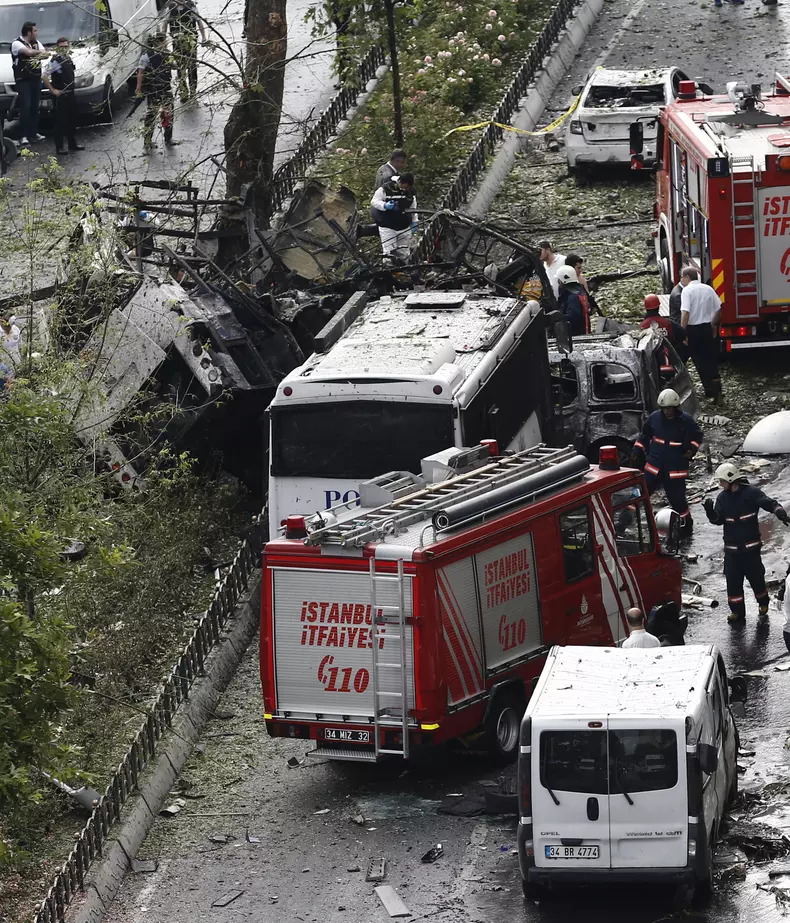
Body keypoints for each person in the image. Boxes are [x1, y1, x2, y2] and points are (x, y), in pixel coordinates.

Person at [703, 462, 789, 624]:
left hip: (750, 550)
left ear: (731, 479)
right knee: (733, 582)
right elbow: (718, 520)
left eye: (722, 481)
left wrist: (781, 514)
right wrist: (710, 512)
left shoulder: (751, 493)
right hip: (732, 552)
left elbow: (770, 503)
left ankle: (763, 603)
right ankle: (737, 612)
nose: (720, 484)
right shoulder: (722, 498)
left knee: (756, 579)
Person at [632, 388, 702, 537]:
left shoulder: (686, 421)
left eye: (669, 409)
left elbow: (697, 436)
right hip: (653, 466)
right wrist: (637, 449)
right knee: (639, 494)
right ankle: (622, 524)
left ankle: (686, 527)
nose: (667, 412)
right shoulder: (654, 418)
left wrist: (691, 449)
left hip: (675, 469)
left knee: (678, 501)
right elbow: (644, 436)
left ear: (675, 407)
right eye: (664, 409)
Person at [679, 267, 722, 401]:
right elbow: (719, 308)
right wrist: (713, 324)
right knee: (710, 358)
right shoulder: (708, 289)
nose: (681, 280)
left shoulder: (687, 291)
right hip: (706, 328)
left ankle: (708, 389)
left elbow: (685, 313)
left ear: (687, 277)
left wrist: (682, 332)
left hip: (693, 330)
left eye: (682, 277)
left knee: (698, 360)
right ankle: (717, 389)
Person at [42, 38, 85, 156]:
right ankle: (60, 147)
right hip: (61, 96)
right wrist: (53, 90)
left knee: (72, 120)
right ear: (57, 48)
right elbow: (44, 76)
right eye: (61, 47)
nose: (64, 49)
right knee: (60, 122)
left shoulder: (68, 59)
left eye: (66, 46)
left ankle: (72, 143)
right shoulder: (55, 61)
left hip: (71, 93)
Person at [11, 22, 49, 146]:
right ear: (29, 33)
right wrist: (37, 52)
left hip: (35, 79)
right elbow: (28, 53)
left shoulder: (37, 43)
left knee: (34, 107)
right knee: (25, 107)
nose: (37, 33)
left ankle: (33, 133)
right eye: (35, 31)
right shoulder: (16, 43)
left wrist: (37, 52)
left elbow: (45, 54)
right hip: (23, 80)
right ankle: (23, 135)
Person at [135, 34, 175, 151]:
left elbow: (174, 66)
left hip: (166, 88)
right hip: (154, 90)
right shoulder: (146, 56)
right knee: (151, 115)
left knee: (169, 113)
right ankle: (147, 141)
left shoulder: (167, 54)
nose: (166, 44)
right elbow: (140, 72)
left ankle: (168, 138)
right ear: (157, 42)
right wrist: (139, 87)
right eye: (163, 41)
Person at [163, 0, 206, 103]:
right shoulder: (170, 9)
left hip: (190, 42)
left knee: (192, 65)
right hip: (177, 43)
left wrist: (204, 37)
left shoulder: (191, 6)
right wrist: (164, 42)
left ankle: (192, 90)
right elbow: (164, 24)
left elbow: (199, 21)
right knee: (180, 66)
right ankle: (183, 91)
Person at [371, 172, 417, 264]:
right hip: (387, 226)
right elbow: (374, 201)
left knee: (404, 253)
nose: (406, 189)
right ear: (400, 182)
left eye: (408, 187)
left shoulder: (410, 192)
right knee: (389, 253)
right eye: (405, 186)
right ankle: (389, 273)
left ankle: (404, 272)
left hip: (404, 226)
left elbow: (413, 207)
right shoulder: (385, 189)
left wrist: (414, 221)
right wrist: (384, 205)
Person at [556, 265, 590, 336]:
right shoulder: (579, 291)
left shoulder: (572, 297)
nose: (558, 282)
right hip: (582, 331)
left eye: (559, 280)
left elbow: (573, 317)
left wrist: (558, 318)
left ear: (563, 281)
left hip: (576, 335)